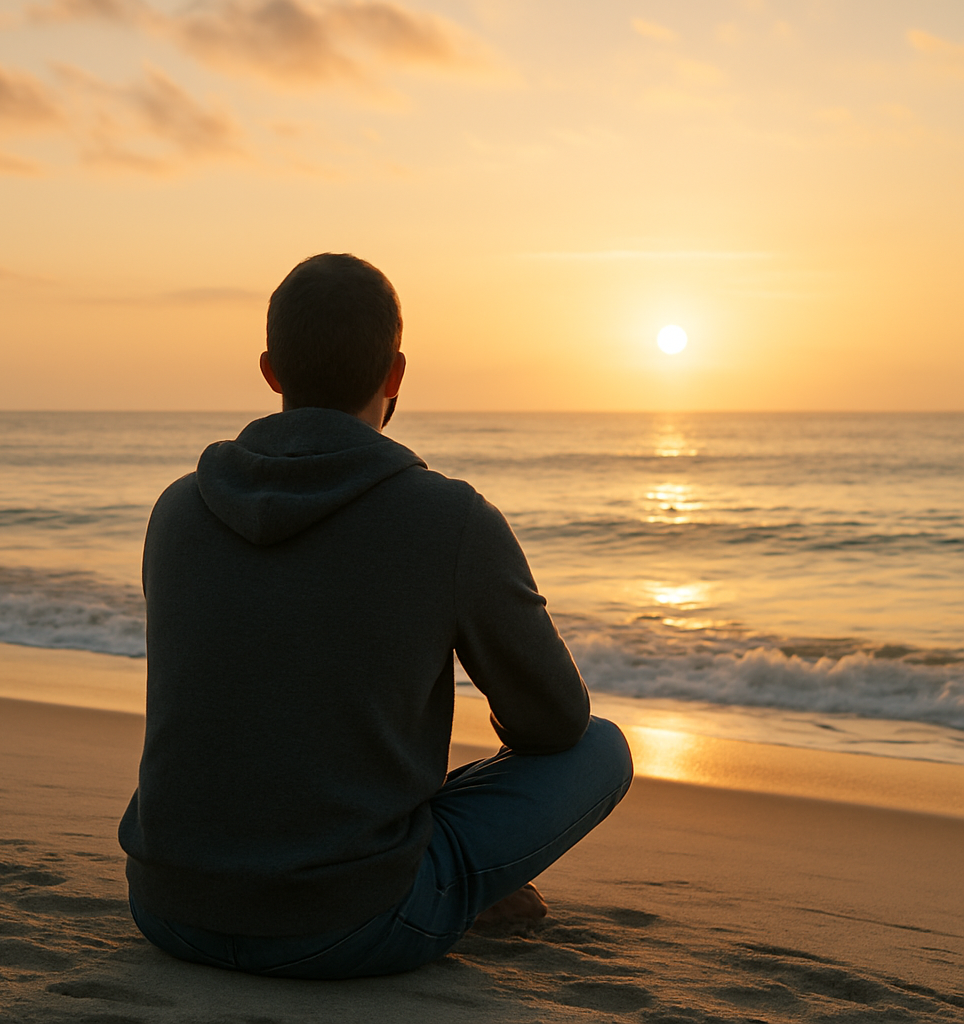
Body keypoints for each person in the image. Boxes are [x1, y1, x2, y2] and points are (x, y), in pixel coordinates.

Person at [118, 252, 633, 979]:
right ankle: (457, 884)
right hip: (348, 925)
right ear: (395, 373)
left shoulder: (178, 509)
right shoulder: (451, 519)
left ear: (270, 370)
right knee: (601, 747)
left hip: (168, 908)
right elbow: (554, 723)